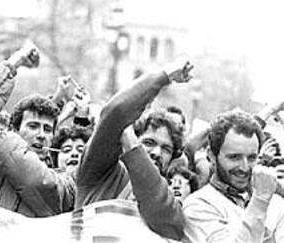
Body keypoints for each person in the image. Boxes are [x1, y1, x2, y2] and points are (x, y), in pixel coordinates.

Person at [75, 62, 193, 240]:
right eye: (149, 142)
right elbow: (115, 112)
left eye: (166, 149)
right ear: (131, 138)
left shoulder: (170, 201)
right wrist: (163, 77)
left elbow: (162, 213)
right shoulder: (101, 174)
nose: (156, 152)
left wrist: (137, 150)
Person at [0, 43, 75, 217]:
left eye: (47, 129)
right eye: (33, 126)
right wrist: (15, 62)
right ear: (15, 128)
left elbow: (36, 181)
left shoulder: (63, 181)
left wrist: (4, 139)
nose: (41, 135)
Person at [182, 110, 284, 242]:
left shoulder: (275, 203)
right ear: (211, 156)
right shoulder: (197, 206)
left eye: (252, 158)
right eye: (234, 157)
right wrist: (260, 201)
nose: (244, 167)